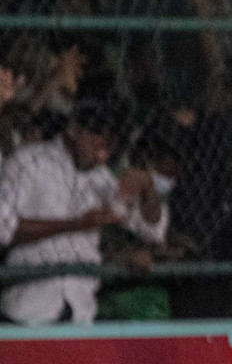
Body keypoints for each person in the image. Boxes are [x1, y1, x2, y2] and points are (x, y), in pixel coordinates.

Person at [0, 97, 167, 324]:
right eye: (98, 145)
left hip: (81, 310)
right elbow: (3, 230)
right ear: (74, 129)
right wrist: (75, 224)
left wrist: (148, 189)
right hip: (29, 307)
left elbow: (152, 230)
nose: (103, 156)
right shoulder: (27, 163)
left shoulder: (102, 178)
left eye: (109, 148)